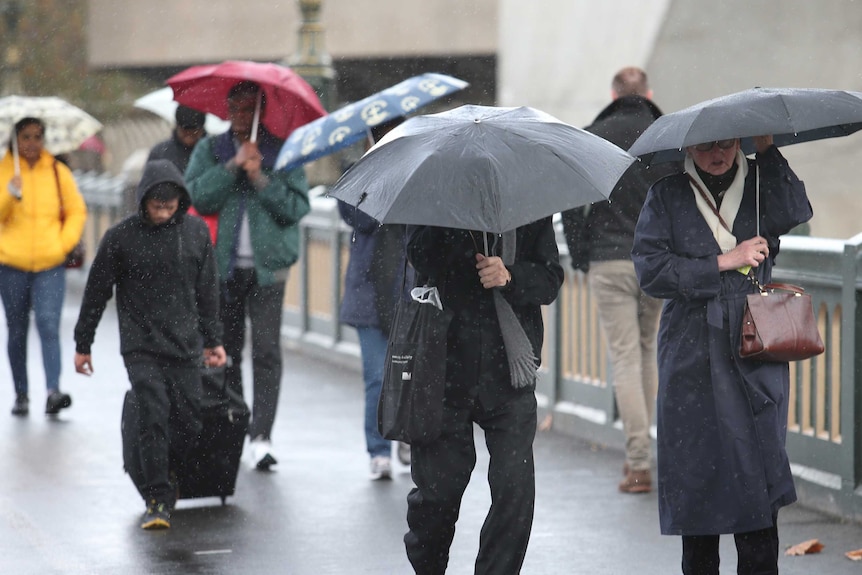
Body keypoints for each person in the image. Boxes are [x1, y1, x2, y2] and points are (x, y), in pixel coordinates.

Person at [631, 135, 812, 574]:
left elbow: (796, 211)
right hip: (691, 344)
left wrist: (768, 151)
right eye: (708, 146)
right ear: (688, 149)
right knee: (698, 478)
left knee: (758, 470)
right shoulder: (667, 194)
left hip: (753, 340)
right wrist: (722, 262)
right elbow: (650, 272)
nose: (719, 154)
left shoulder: (759, 183)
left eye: (728, 145)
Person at [72, 159, 226, 530]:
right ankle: (157, 497)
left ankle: (164, 469)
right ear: (143, 201)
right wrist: (83, 343)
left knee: (190, 420)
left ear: (180, 202)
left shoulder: (194, 233)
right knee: (154, 415)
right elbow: (96, 292)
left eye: (169, 207)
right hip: (141, 346)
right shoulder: (121, 238)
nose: (162, 213)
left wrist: (213, 340)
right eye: (156, 206)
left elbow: (208, 290)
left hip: (185, 344)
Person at [404, 220, 563, 574]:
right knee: (437, 496)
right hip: (443, 367)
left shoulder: (525, 194)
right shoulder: (436, 189)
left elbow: (550, 278)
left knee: (514, 493)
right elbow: (418, 255)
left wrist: (510, 277)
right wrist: (455, 219)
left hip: (510, 369)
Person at [185, 81, 311, 470]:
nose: (243, 116)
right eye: (236, 108)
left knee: (267, 351)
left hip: (268, 270)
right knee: (227, 350)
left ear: (261, 111)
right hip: (221, 269)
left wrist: (260, 177)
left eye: (250, 109)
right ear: (226, 111)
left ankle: (262, 434)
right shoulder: (212, 149)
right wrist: (232, 167)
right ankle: (235, 421)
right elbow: (196, 195)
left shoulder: (282, 151)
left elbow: (296, 207)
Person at [561, 66, 675, 493]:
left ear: (612, 93)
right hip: (655, 260)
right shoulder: (663, 135)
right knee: (647, 353)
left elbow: (572, 206)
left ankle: (639, 462)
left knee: (625, 357)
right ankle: (646, 454)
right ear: (648, 92)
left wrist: (581, 254)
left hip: (609, 260)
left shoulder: (593, 135)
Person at [338, 118, 412, 480]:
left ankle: (406, 436)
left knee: (411, 374)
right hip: (368, 294)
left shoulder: (417, 169)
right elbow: (360, 220)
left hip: (409, 288)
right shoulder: (357, 174)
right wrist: (376, 175)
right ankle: (379, 449)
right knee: (377, 377)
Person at [0, 117, 87, 416]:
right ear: (15, 138)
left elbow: (77, 210)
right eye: (26, 137)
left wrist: (62, 244)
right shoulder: (4, 171)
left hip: (50, 263)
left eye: (38, 136)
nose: (32, 143)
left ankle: (53, 389)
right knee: (17, 329)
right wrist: (10, 195)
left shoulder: (57, 171)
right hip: (11, 263)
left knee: (49, 323)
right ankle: (21, 393)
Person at [147, 105, 207, 173]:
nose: (189, 139)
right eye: (185, 132)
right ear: (177, 127)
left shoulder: (212, 151)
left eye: (194, 134)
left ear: (202, 130)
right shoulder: (160, 153)